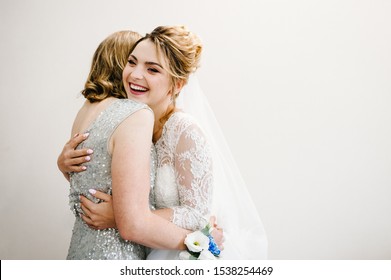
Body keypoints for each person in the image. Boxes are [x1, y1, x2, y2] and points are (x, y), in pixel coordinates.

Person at [60, 26, 267, 259]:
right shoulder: (132, 122)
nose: (135, 75)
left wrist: (119, 216)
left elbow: (198, 215)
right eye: (132, 62)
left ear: (177, 85)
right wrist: (65, 164)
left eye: (152, 69)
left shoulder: (184, 130)